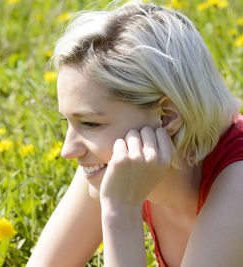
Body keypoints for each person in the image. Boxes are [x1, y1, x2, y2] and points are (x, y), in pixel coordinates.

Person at [27, 1, 243, 266]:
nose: (68, 150)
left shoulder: (237, 182)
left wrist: (121, 211)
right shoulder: (115, 165)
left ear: (167, 117)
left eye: (90, 124)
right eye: (68, 122)